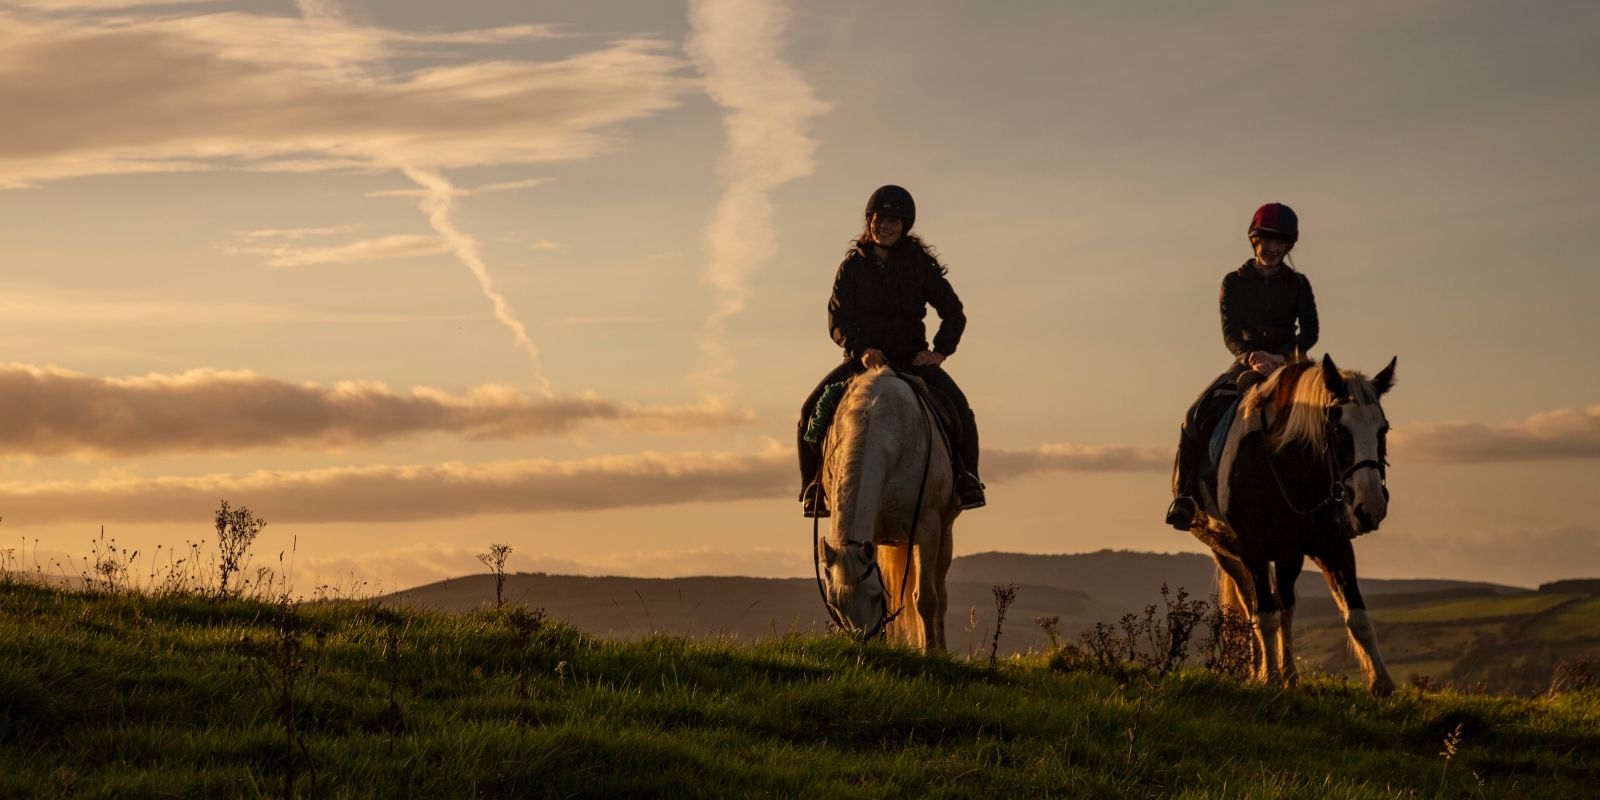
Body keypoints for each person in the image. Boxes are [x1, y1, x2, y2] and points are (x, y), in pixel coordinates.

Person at [797, 184, 986, 518]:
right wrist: (861, 349)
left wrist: (940, 353)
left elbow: (954, 312)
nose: (885, 226)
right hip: (863, 362)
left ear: (905, 226)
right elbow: (839, 318)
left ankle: (965, 478)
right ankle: (814, 487)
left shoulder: (920, 266)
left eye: (894, 221)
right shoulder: (852, 267)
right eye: (880, 218)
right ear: (869, 220)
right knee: (810, 413)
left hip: (911, 360)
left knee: (960, 409)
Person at [1165, 202, 1319, 530]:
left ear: (1289, 246)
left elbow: (1310, 332)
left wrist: (1282, 355)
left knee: (1333, 413)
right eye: (1268, 241)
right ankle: (1185, 496)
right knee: (1196, 414)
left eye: (1282, 243)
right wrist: (1251, 356)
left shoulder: (1299, 284)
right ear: (1254, 240)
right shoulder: (1233, 282)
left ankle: (1339, 497)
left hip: (1288, 363)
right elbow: (1230, 331)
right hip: (1248, 360)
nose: (1275, 248)